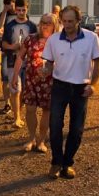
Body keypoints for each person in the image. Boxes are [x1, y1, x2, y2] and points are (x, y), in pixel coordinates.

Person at [41, 6, 99, 180]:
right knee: (55, 126)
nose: (67, 25)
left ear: (78, 20)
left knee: (76, 129)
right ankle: (56, 162)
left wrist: (93, 84)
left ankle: (67, 163)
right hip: (59, 86)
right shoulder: (54, 39)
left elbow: (98, 63)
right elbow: (49, 63)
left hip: (81, 88)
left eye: (71, 21)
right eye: (64, 21)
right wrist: (45, 70)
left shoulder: (91, 38)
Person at [12, 13, 57, 152]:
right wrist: (15, 76)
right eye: (43, 22)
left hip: (50, 82)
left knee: (47, 111)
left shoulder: (57, 41)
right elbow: (20, 57)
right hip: (31, 80)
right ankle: (31, 138)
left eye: (48, 23)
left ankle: (41, 140)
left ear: (54, 25)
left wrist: (51, 68)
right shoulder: (30, 39)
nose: (45, 25)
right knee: (30, 110)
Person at [1, 0, 36, 128]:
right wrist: (13, 46)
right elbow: (4, 43)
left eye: (23, 10)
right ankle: (16, 118)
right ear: (15, 10)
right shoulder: (10, 26)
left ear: (27, 9)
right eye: (19, 10)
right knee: (15, 89)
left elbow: (36, 44)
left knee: (24, 91)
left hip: (28, 63)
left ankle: (19, 113)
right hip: (12, 61)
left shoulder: (32, 26)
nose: (21, 12)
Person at [0, 0, 16, 106]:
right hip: (6, 50)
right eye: (7, 4)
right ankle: (7, 103)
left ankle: (18, 100)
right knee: (5, 78)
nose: (9, 6)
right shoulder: (4, 14)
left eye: (10, 3)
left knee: (19, 76)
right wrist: (4, 11)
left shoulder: (20, 13)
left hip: (18, 51)